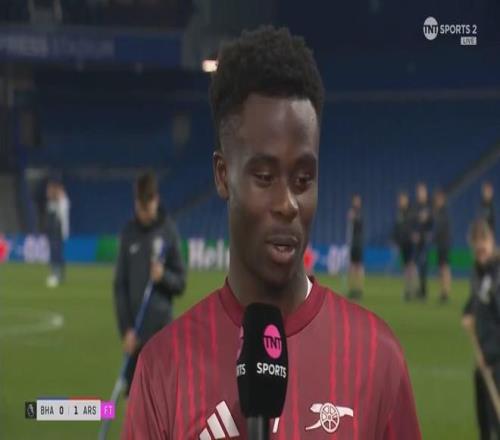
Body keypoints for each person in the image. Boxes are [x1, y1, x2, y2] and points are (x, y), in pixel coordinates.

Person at [123, 26, 421, 439]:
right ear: (223, 175)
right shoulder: (162, 367)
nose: (288, 203)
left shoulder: (378, 356)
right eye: (264, 177)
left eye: (303, 179)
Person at [113, 171, 186, 395]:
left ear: (156, 200)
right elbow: (120, 286)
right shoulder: (128, 234)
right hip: (134, 336)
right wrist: (125, 330)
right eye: (141, 208)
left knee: (161, 399)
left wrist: (163, 276)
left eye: (148, 207)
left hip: (162, 335)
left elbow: (180, 283)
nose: (144, 213)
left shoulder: (168, 232)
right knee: (133, 400)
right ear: (136, 203)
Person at [462, 220, 500, 439]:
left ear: (491, 241)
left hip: (495, 357)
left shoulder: (497, 273)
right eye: (476, 247)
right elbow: (476, 300)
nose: (480, 251)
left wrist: (491, 355)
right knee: (484, 420)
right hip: (484, 354)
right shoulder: (478, 272)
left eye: (483, 244)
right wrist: (467, 312)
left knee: (496, 416)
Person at [45, 179, 70, 288]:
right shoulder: (51, 203)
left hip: (59, 232)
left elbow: (62, 215)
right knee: (53, 253)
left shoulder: (63, 201)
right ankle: (55, 273)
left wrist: (59, 197)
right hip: (52, 232)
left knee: (57, 253)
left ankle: (59, 274)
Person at [393, 191, 417, 300]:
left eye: (402, 199)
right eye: (400, 200)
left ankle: (413, 289)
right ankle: (407, 289)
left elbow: (414, 226)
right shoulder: (400, 213)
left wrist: (415, 234)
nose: (400, 202)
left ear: (406, 200)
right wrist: (396, 240)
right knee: (406, 267)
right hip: (402, 243)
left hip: (410, 243)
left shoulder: (411, 212)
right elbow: (398, 228)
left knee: (411, 265)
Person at [412, 182, 433, 300]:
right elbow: (413, 222)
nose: (420, 194)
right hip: (417, 241)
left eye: (422, 191)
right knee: (417, 265)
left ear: (425, 193)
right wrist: (414, 233)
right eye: (419, 192)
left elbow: (431, 223)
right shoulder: (415, 207)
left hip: (425, 240)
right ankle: (419, 289)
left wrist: (428, 234)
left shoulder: (429, 206)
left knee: (423, 264)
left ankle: (424, 291)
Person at [433, 189, 452, 303]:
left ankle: (446, 291)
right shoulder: (438, 212)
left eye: (439, 199)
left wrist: (434, 237)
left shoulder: (443, 213)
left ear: (443, 200)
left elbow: (441, 229)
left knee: (445, 268)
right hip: (440, 244)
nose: (437, 201)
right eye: (436, 199)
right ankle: (442, 291)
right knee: (441, 268)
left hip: (444, 244)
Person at [347, 193, 364, 300]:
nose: (356, 203)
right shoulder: (351, 212)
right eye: (355, 200)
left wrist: (354, 218)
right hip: (352, 243)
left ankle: (359, 289)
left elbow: (360, 223)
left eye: (358, 201)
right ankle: (352, 289)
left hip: (358, 243)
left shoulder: (360, 213)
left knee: (358, 266)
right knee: (352, 266)